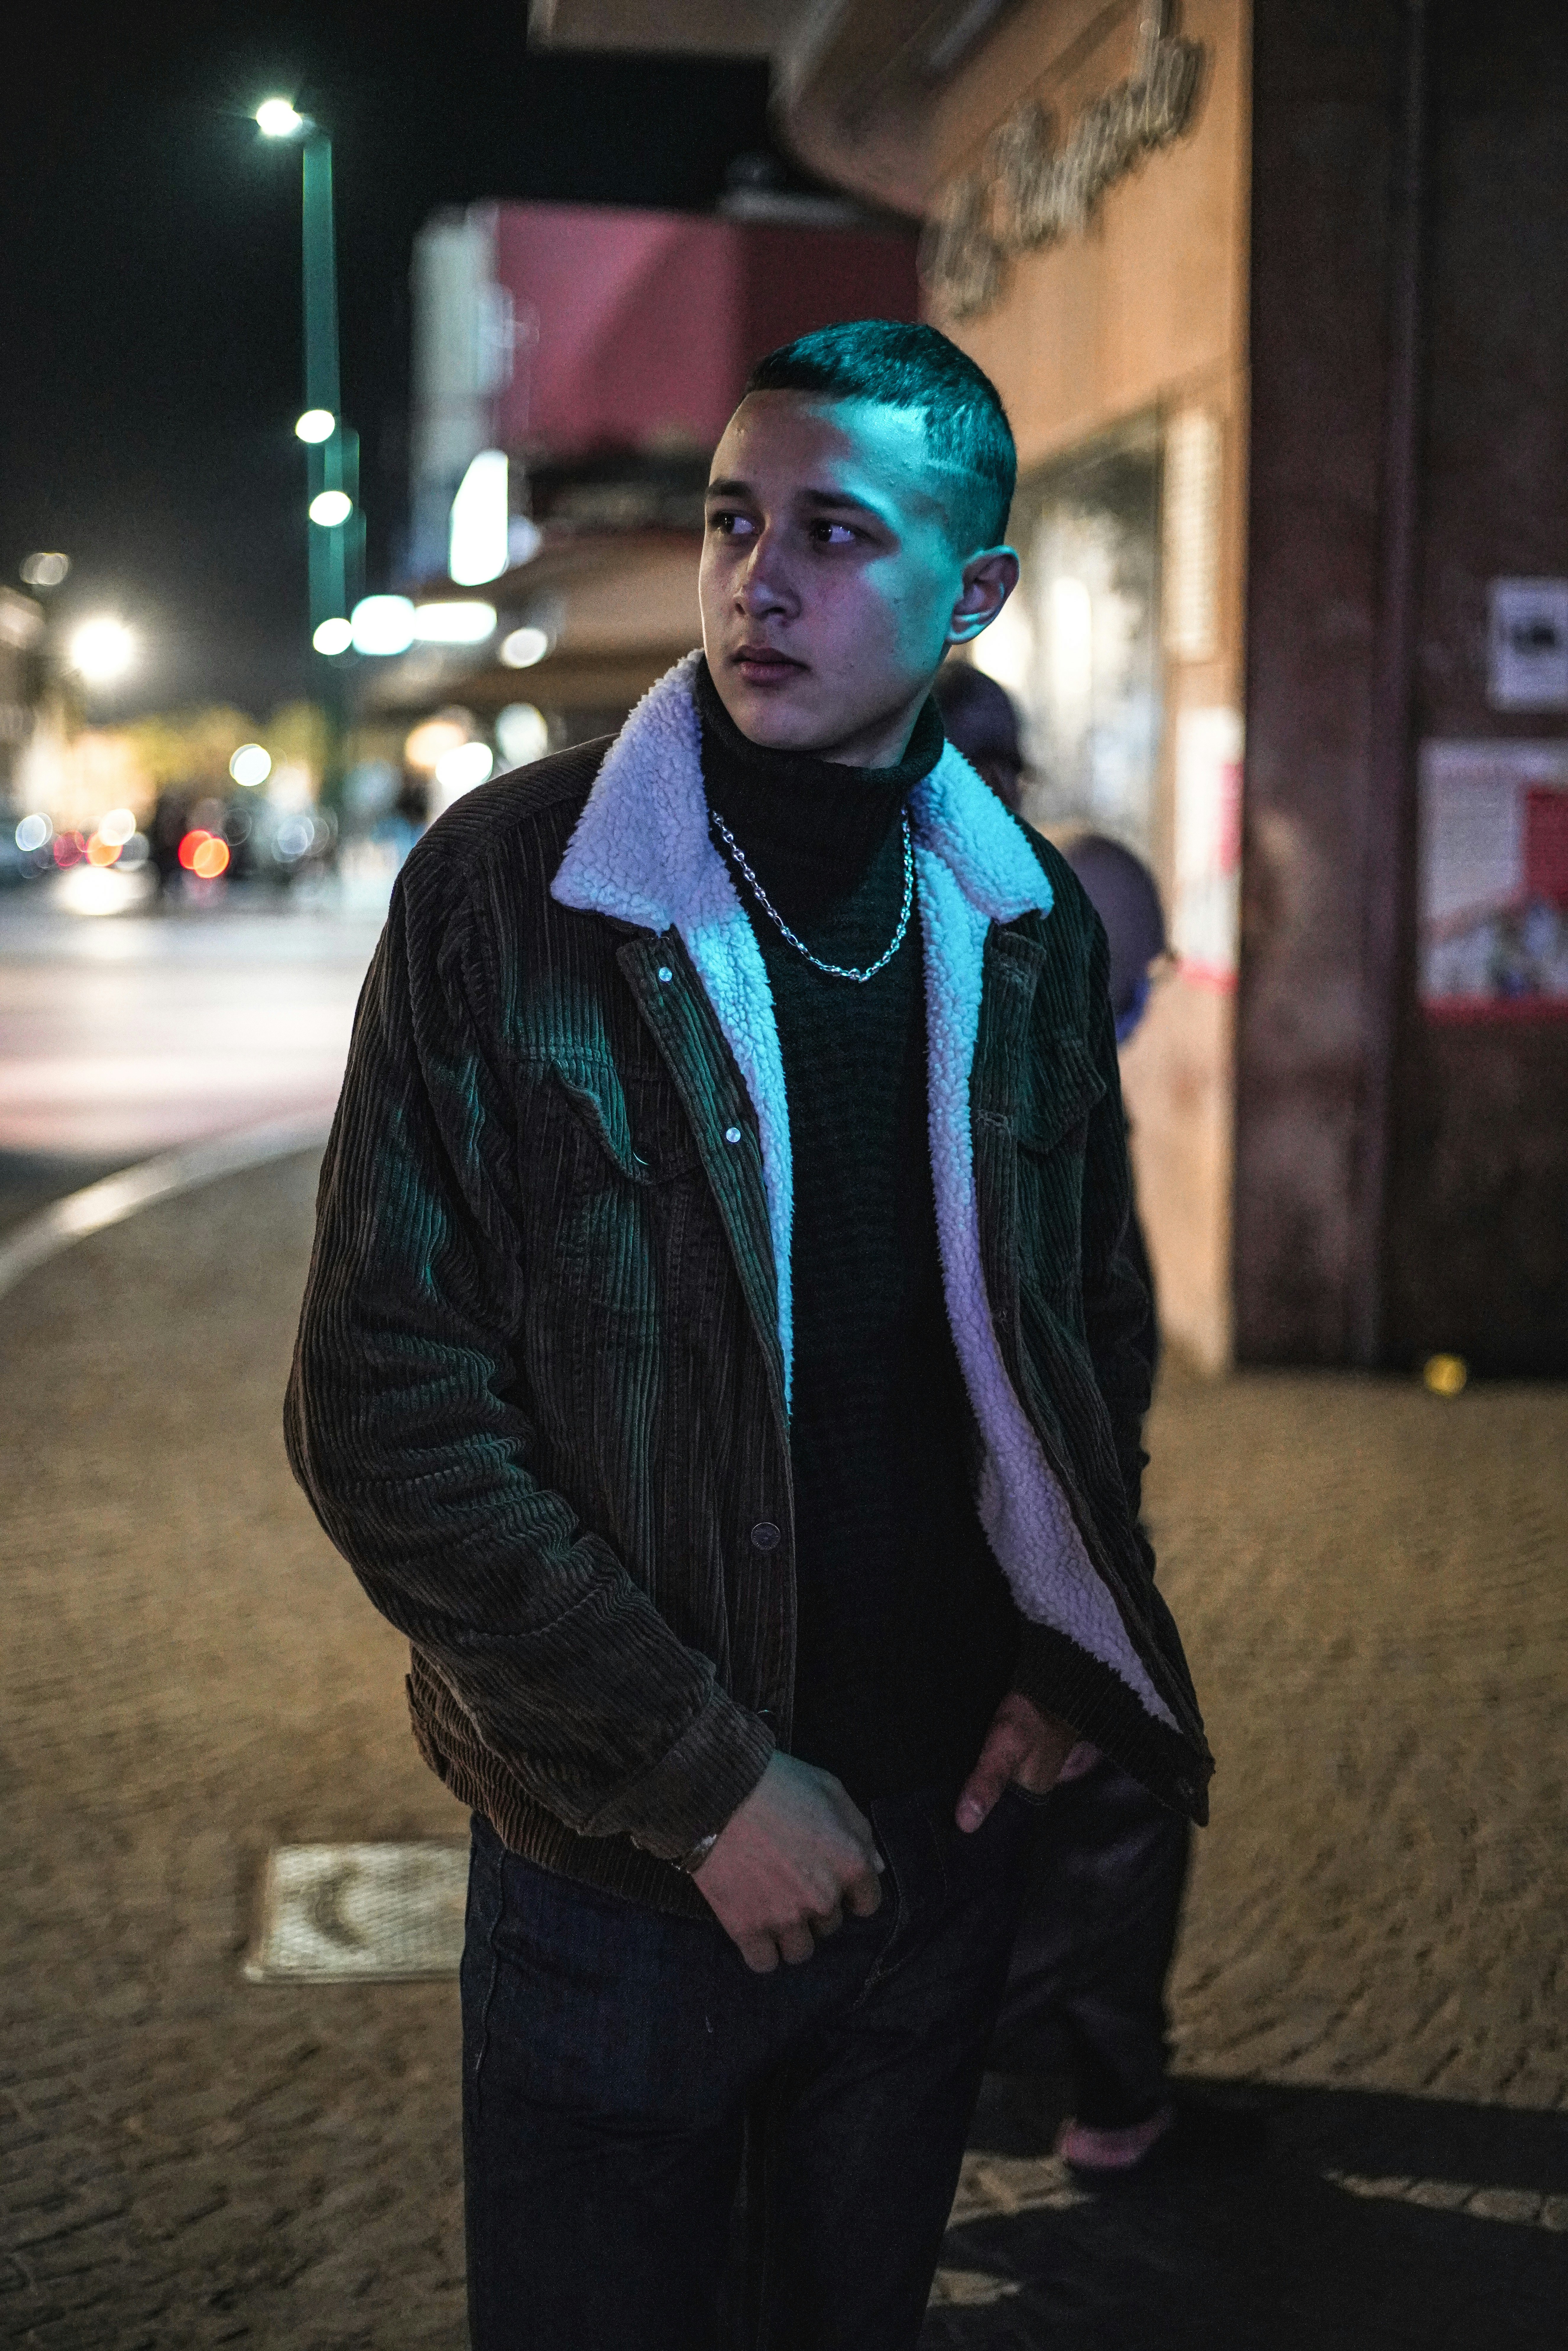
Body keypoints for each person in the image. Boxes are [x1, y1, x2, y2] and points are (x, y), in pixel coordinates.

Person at [285, 319, 1212, 2350]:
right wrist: (703, 1786)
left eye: (832, 533)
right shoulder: (513, 892)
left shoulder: (1022, 923)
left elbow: (1084, 1327)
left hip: (938, 1856)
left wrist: (1067, 1652)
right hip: (627, 1881)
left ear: (973, 593)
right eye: (730, 521)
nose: (756, 581)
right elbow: (384, 1411)